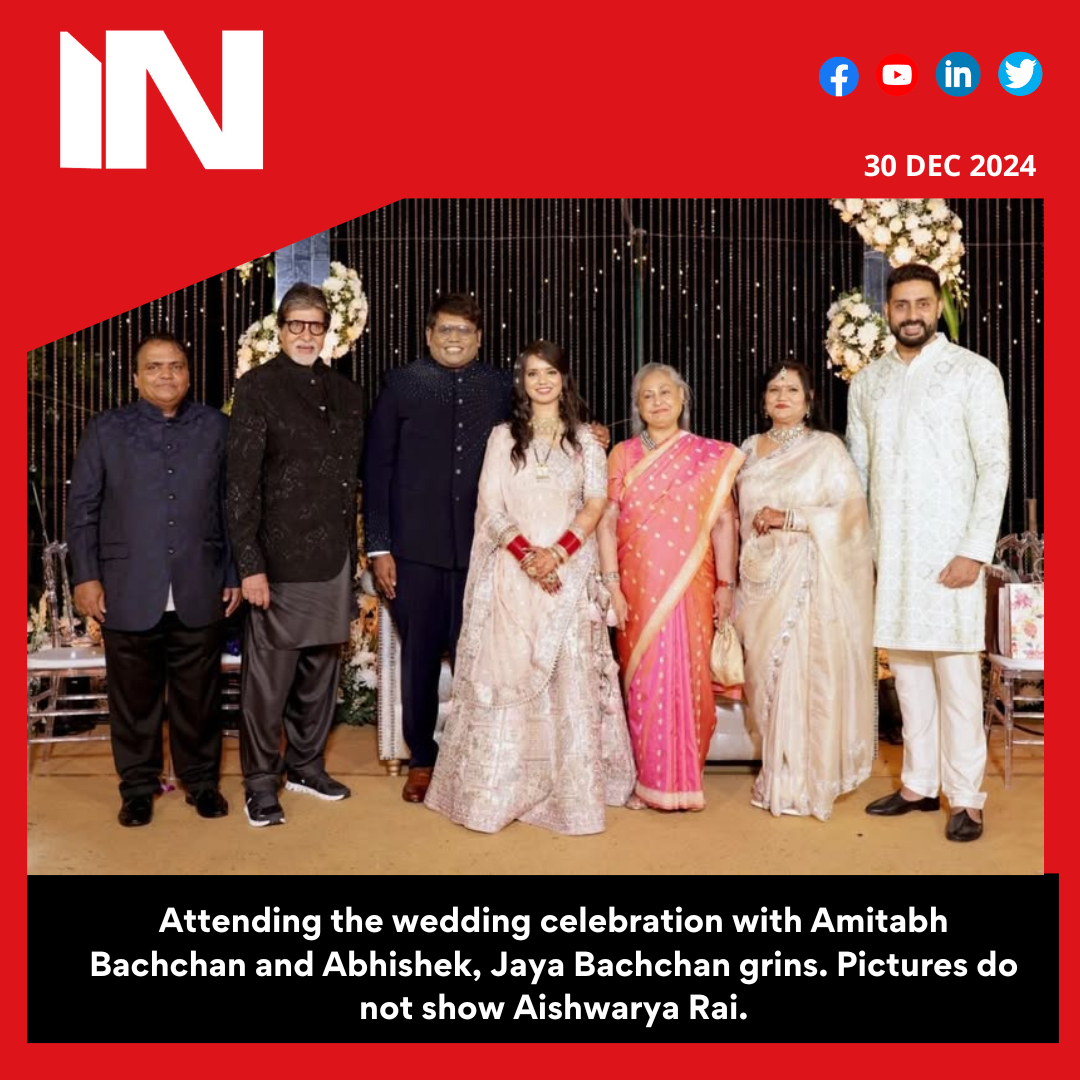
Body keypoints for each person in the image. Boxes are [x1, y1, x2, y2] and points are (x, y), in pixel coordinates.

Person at [363, 294, 609, 803]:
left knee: (484, 657)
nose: (454, 339)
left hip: (486, 553)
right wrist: (380, 547)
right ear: (428, 334)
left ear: (479, 338)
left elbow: (544, 425)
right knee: (421, 659)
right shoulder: (401, 385)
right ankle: (424, 760)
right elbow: (378, 468)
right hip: (415, 550)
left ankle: (473, 754)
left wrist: (591, 435)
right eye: (445, 330)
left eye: (465, 332)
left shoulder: (500, 386)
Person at [424, 341, 635, 833]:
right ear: (522, 382)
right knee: (509, 673)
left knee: (567, 680)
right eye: (533, 373)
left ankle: (566, 794)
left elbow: (595, 503)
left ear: (564, 379)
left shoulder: (586, 440)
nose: (543, 381)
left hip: (567, 576)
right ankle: (500, 790)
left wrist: (556, 552)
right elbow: (490, 506)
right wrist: (526, 557)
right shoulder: (503, 438)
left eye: (551, 372)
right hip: (511, 577)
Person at [849, 263, 1010, 842]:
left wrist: (974, 549)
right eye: (900, 305)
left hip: (951, 553)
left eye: (922, 303)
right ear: (886, 311)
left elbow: (994, 465)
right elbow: (859, 473)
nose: (911, 314)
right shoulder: (867, 382)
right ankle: (917, 783)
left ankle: (966, 797)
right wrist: (863, 553)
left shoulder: (973, 373)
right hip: (893, 552)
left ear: (937, 305)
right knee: (909, 673)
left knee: (957, 677)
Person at [67, 333, 240, 827]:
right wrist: (86, 576)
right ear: (137, 377)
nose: (167, 375)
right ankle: (138, 787)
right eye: (155, 367)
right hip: (125, 587)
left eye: (176, 366)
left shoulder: (216, 428)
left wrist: (231, 570)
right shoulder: (105, 430)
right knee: (133, 700)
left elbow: (233, 507)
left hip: (200, 583)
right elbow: (83, 510)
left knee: (198, 696)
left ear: (188, 373)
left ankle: (201, 782)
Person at [227, 283, 364, 827]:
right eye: (296, 325)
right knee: (269, 682)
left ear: (327, 330)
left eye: (316, 325)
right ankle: (261, 783)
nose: (306, 334)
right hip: (277, 563)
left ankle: (306, 765)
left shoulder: (348, 393)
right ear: (280, 329)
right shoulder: (257, 388)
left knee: (321, 672)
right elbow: (240, 486)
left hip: (332, 557)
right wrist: (250, 564)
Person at [597, 363, 743, 811]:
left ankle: (686, 780)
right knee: (643, 682)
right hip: (638, 588)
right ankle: (649, 782)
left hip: (694, 586)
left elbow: (723, 522)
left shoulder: (711, 455)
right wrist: (612, 585)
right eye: (648, 396)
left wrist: (725, 584)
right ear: (637, 406)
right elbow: (606, 521)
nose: (658, 402)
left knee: (692, 678)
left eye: (666, 393)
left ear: (683, 399)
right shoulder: (622, 454)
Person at [734, 361, 874, 820]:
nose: (782, 396)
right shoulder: (748, 451)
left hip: (808, 579)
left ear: (809, 399)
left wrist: (792, 519)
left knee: (800, 675)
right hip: (757, 581)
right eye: (774, 388)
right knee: (767, 681)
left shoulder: (827, 449)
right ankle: (775, 774)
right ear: (762, 399)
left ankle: (800, 781)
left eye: (792, 389)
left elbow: (852, 515)